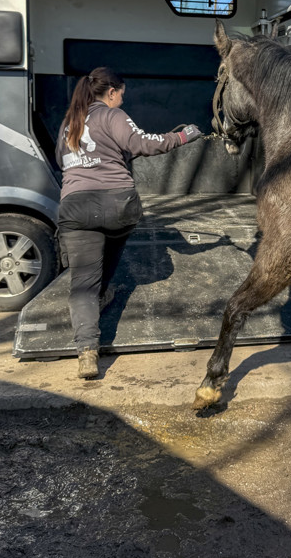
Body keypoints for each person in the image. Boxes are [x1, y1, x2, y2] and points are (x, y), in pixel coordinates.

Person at [56, 66, 202, 378]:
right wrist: (184, 134)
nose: (123, 98)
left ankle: (86, 352)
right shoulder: (114, 116)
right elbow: (146, 143)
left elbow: (61, 160)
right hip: (117, 204)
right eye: (121, 93)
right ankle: (102, 290)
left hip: (76, 206)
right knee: (112, 242)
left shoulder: (69, 121)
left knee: (82, 283)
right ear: (111, 92)